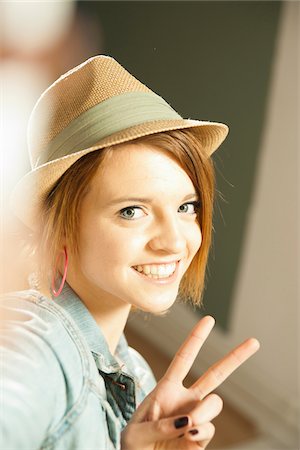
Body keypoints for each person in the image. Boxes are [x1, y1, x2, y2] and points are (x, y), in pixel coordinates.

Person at [1, 55, 259, 450]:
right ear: (60, 225)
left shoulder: (137, 376)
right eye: (131, 211)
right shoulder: (33, 349)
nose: (174, 241)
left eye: (186, 207)